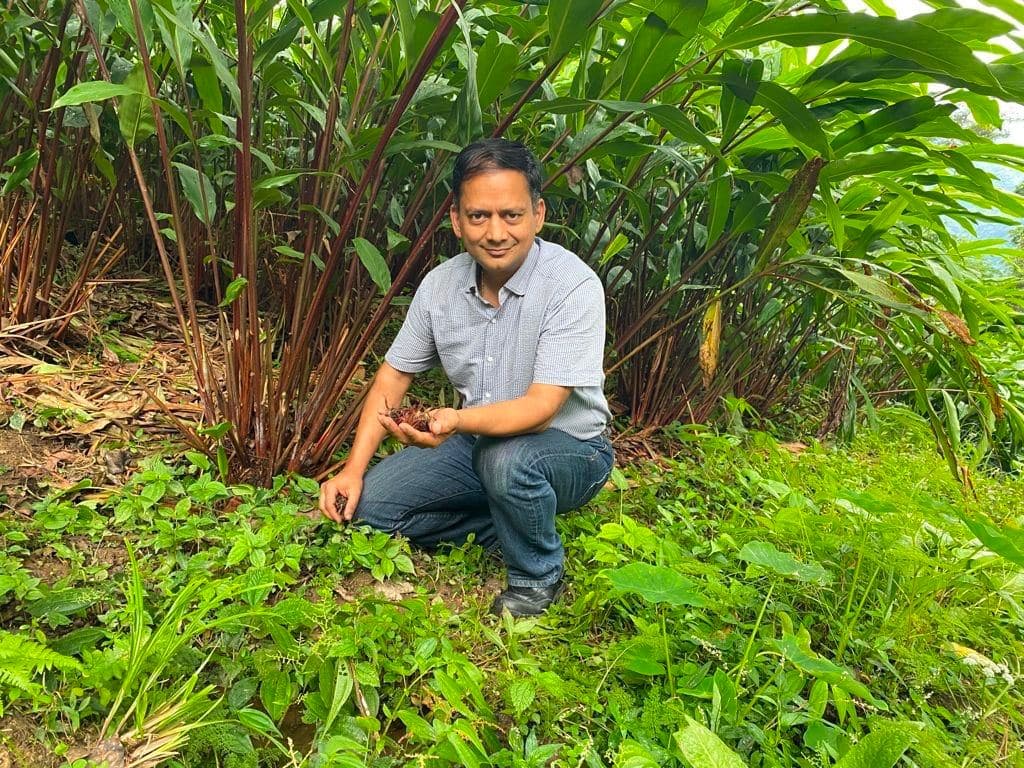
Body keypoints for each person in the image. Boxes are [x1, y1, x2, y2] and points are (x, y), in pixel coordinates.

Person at [318, 138, 613, 616]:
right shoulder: (440, 286)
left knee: (509, 461)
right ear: (456, 220)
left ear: (538, 214)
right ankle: (512, 514)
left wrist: (453, 420)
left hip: (571, 448)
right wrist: (351, 471)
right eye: (478, 216)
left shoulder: (572, 285)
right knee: (371, 510)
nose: (496, 232)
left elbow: (540, 410)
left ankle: (537, 577)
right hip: (474, 441)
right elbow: (392, 378)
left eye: (511, 215)